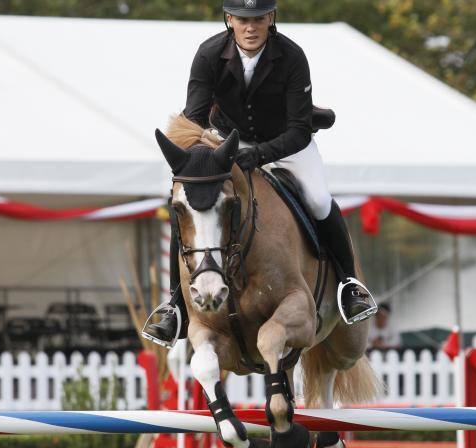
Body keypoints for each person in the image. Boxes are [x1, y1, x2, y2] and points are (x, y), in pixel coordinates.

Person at [143, 0, 376, 347]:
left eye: (257, 19)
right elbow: (193, 120)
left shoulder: (291, 56)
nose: (250, 27)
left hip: (286, 146)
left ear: (270, 18)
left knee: (318, 199)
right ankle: (176, 304)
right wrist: (203, 162)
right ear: (229, 20)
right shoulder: (209, 55)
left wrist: (261, 154)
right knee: (193, 203)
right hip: (227, 144)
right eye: (241, 19)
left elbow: (298, 130)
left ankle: (348, 285)